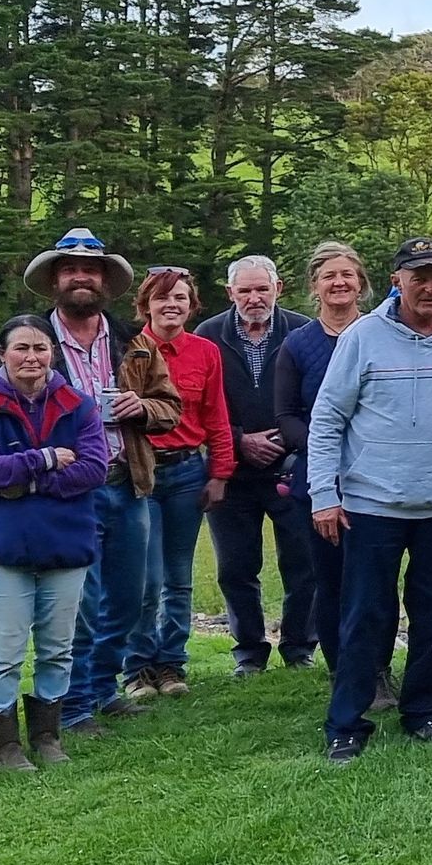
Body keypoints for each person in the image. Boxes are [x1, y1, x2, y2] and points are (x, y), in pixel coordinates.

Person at [310, 237, 432, 762]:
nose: (430, 286)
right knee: (365, 615)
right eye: (418, 276)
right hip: (371, 505)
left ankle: (426, 710)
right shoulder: (362, 338)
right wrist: (323, 494)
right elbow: (327, 420)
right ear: (396, 279)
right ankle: (347, 721)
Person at [26, 228, 182, 738]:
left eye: (90, 270)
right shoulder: (31, 342)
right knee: (79, 603)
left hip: (128, 482)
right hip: (70, 489)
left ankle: (102, 689)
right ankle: (70, 707)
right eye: (70, 269)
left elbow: (170, 405)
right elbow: (6, 409)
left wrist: (145, 408)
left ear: (105, 281)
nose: (80, 277)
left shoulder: (133, 344)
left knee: (133, 595)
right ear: (54, 279)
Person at [0, 316, 109, 771]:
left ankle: (47, 735)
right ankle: (5, 745)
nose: (31, 357)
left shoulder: (79, 405)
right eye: (21, 348)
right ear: (2, 354)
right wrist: (44, 458)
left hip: (66, 543)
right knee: (6, 646)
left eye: (40, 348)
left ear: (53, 354)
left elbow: (93, 470)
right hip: (3, 547)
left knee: (58, 645)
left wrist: (26, 482)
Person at [274, 243, 395, 709]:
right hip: (320, 483)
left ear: (361, 282)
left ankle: (379, 671)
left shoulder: (383, 333)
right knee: (331, 580)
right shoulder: (298, 345)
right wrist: (330, 451)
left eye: (348, 274)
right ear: (314, 286)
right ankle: (344, 669)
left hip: (377, 481)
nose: (339, 282)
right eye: (329, 276)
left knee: (376, 580)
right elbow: (285, 416)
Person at [194, 256, 317, 677]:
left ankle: (300, 646)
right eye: (244, 290)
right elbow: (199, 404)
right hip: (232, 470)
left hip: (291, 465)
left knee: (303, 562)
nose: (254, 298)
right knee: (235, 567)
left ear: (277, 288)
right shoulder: (208, 335)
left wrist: (285, 437)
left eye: (261, 289)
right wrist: (239, 438)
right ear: (230, 294)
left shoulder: (303, 331)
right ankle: (248, 651)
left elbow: (316, 396)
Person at [126, 267, 237, 699]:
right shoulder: (128, 349)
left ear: (192, 306)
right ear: (145, 305)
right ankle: (137, 666)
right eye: (162, 298)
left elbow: (216, 416)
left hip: (189, 472)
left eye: (180, 298)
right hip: (141, 472)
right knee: (144, 577)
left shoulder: (205, 352)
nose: (171, 305)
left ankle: (171, 664)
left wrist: (220, 473)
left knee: (179, 576)